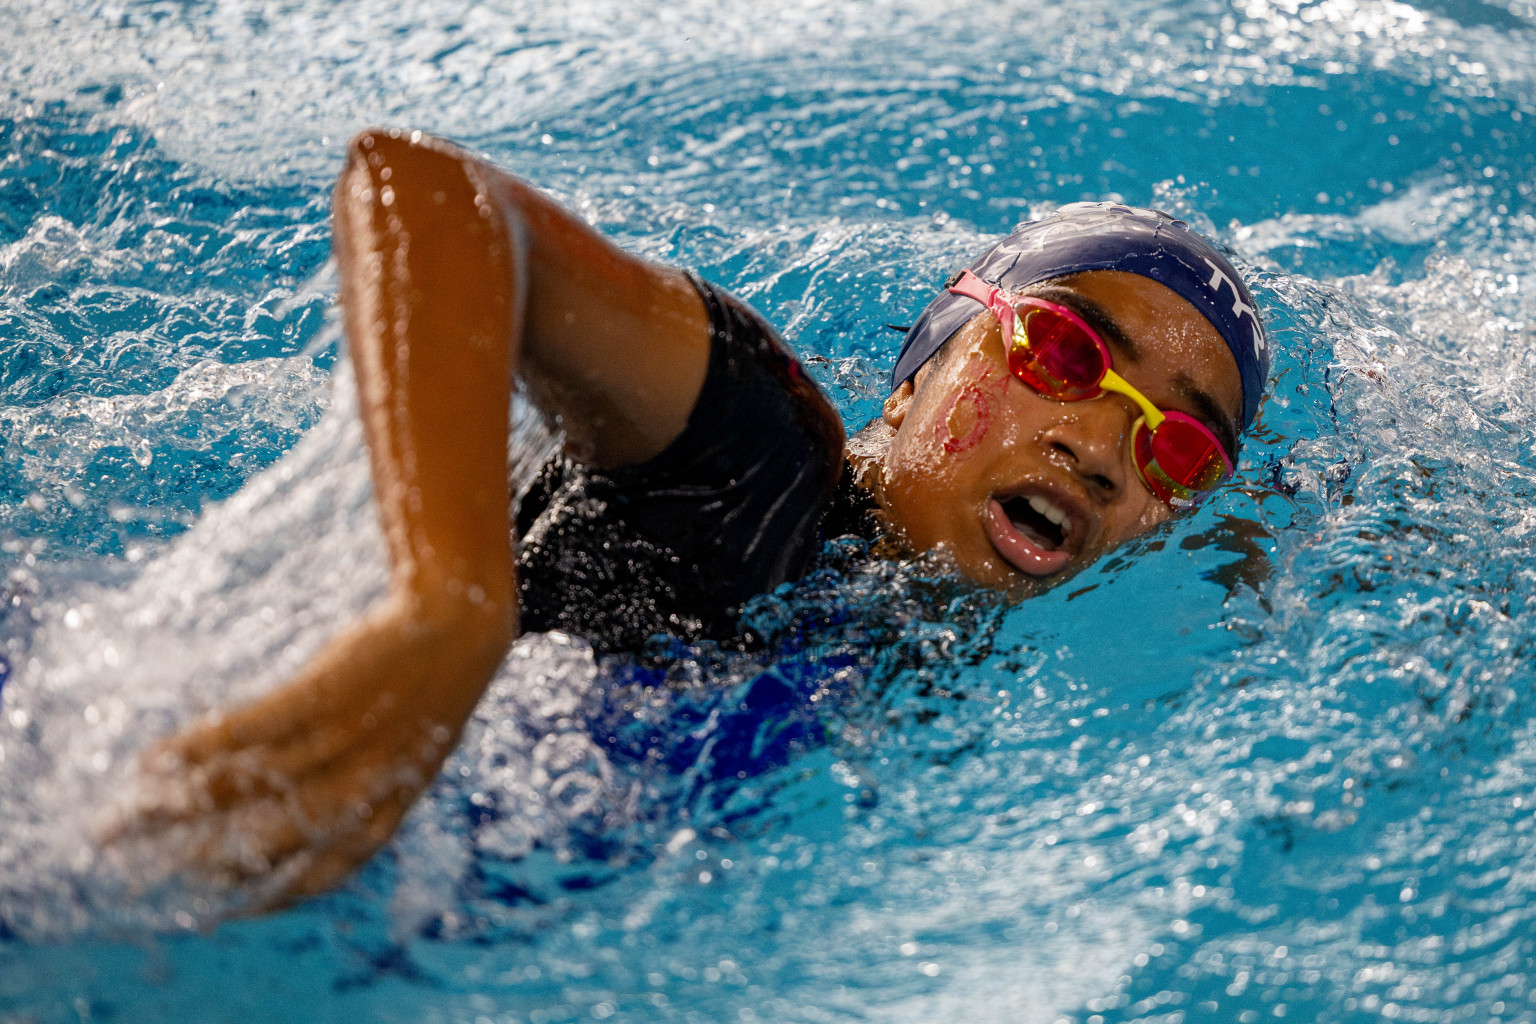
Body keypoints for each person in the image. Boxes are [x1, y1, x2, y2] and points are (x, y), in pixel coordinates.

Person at [108, 128, 1269, 907]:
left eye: (1178, 446)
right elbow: (426, 191)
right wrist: (448, 601)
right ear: (922, 365)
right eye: (1063, 351)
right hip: (122, 752)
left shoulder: (924, 651)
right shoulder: (754, 455)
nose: (1107, 450)